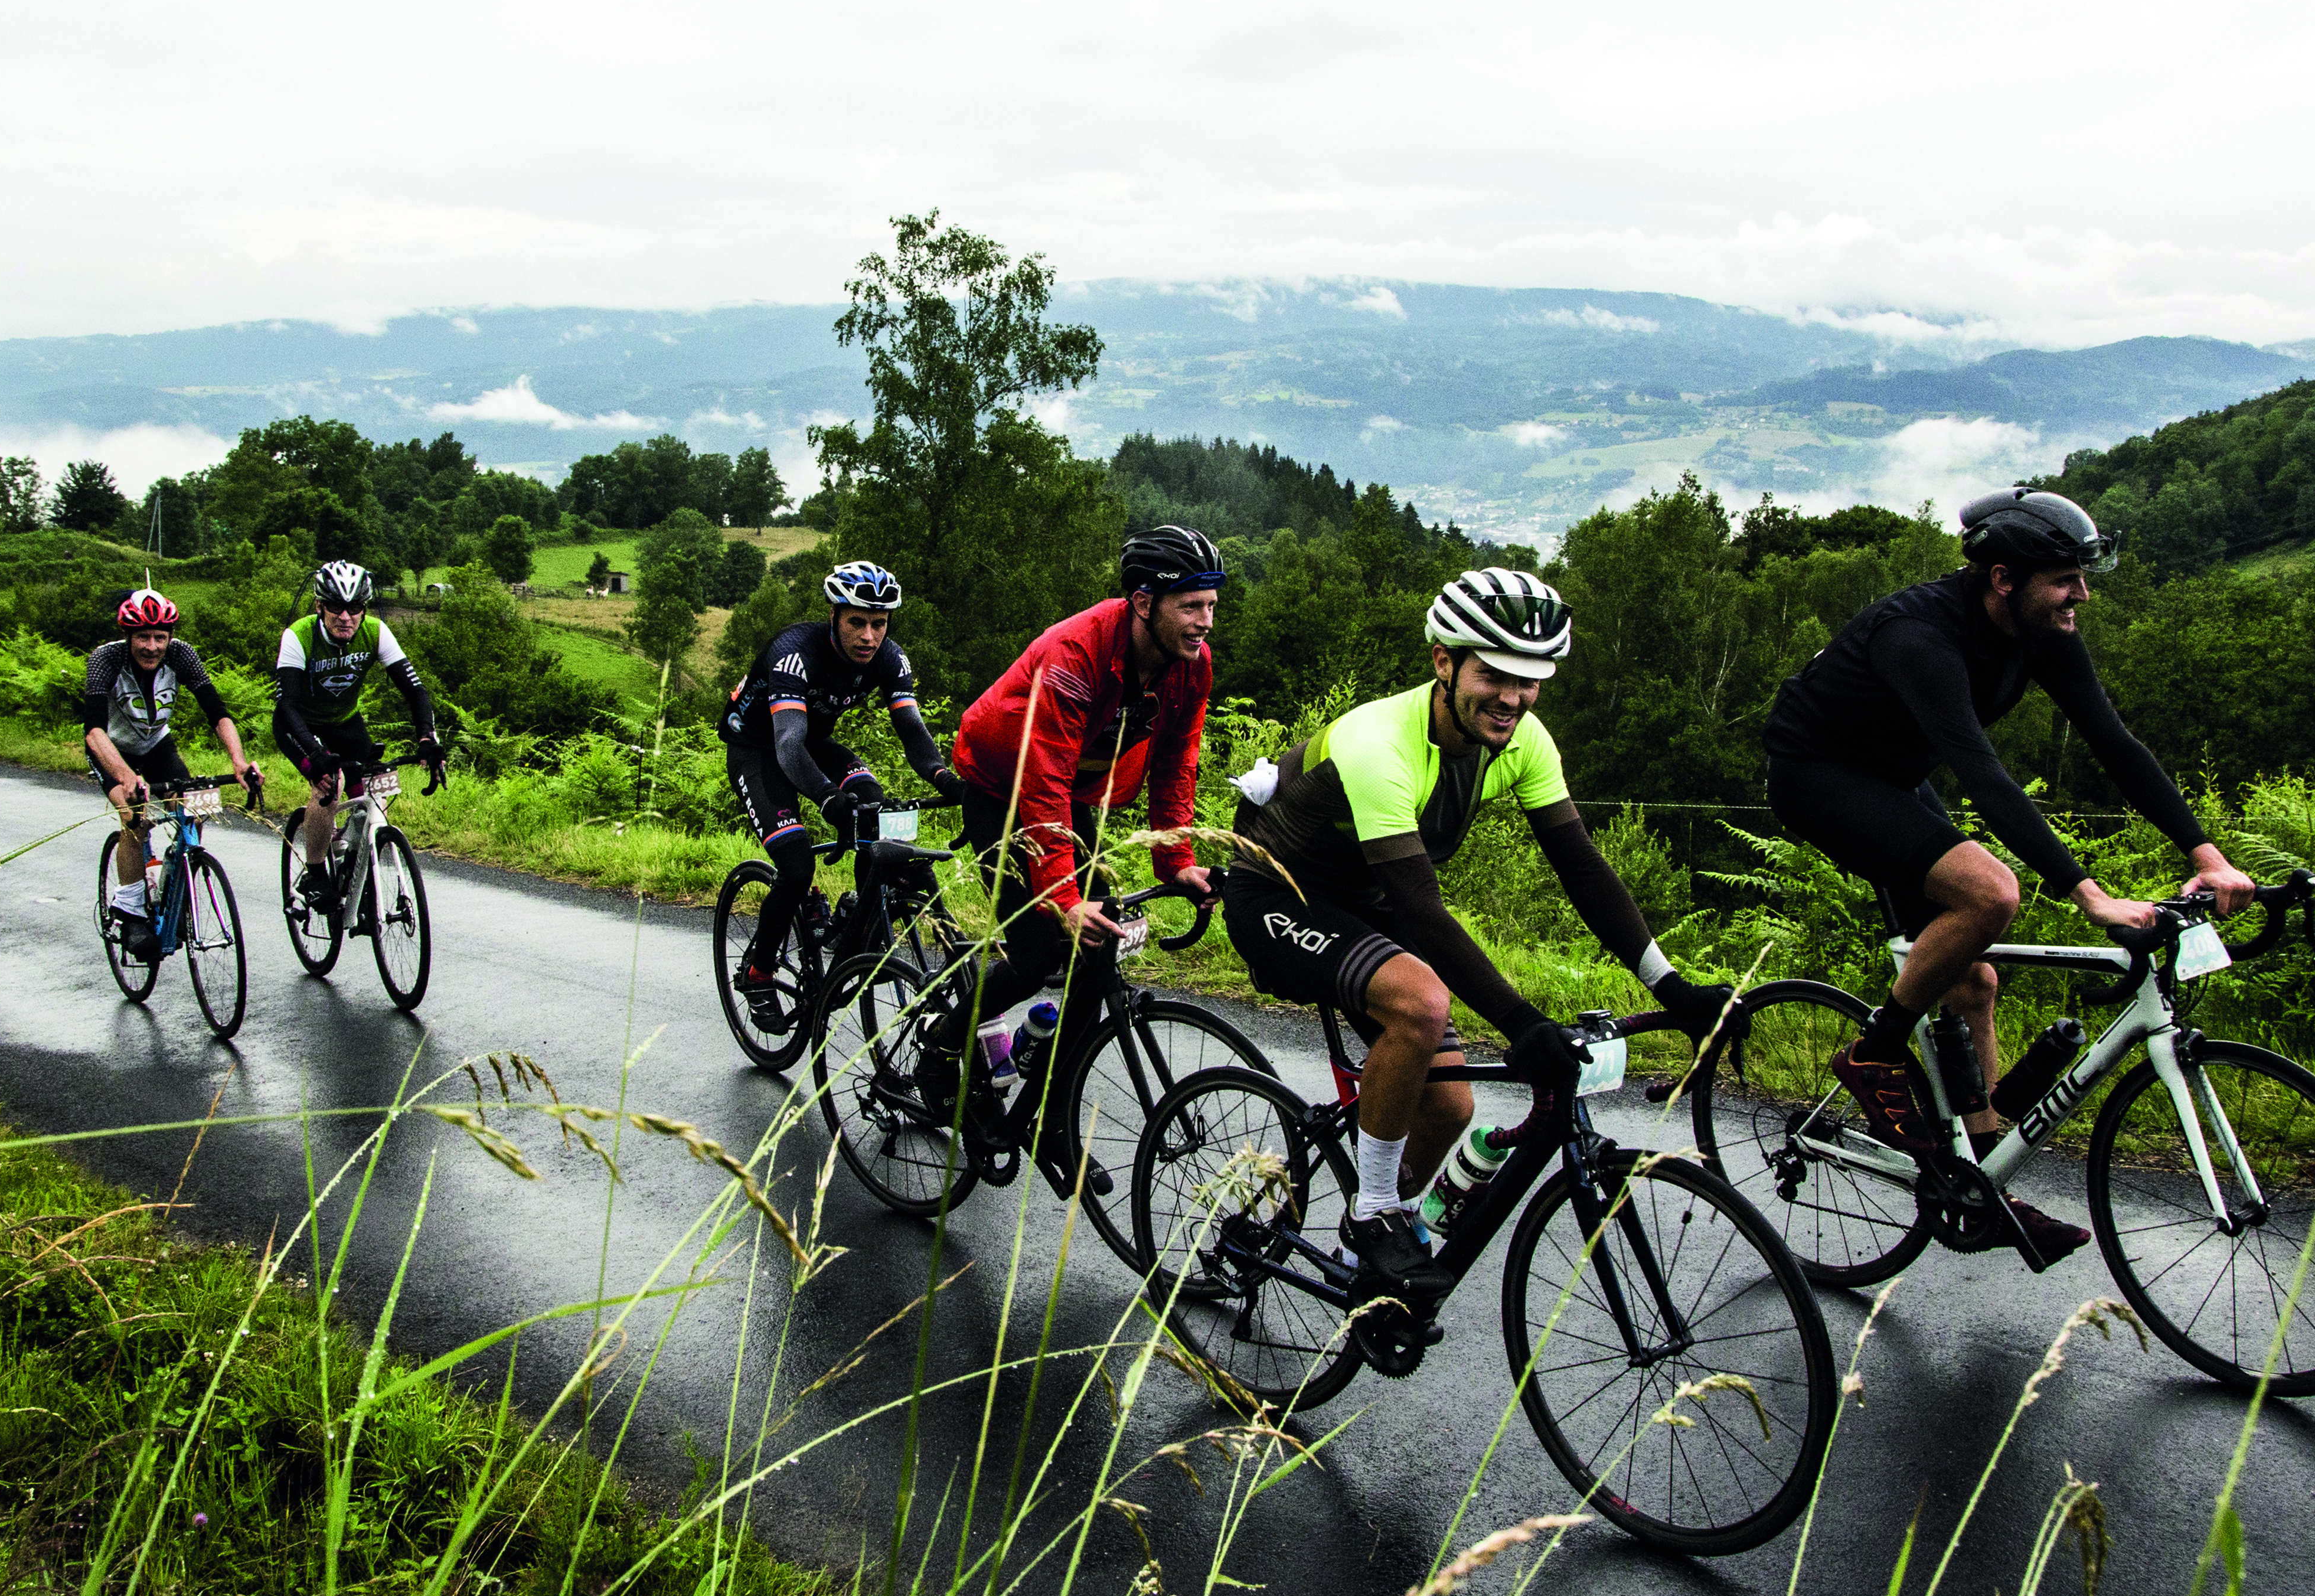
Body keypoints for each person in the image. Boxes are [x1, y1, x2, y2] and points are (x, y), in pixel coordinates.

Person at [1759, 487, 2254, 1262]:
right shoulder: (1919, 637)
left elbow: (2116, 745)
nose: (2082, 595)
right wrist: (2090, 895)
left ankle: (1983, 1179)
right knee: (1991, 892)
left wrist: (2206, 853)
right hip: (1819, 776)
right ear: (2002, 579)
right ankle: (1874, 1053)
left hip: (1891, 779)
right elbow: (1985, 779)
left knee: (1975, 984)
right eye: (2065, 579)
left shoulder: (2045, 631)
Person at [1228, 567, 1733, 1304]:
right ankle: (1372, 1210)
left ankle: (1367, 1228)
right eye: (1493, 674)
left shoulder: (1523, 740)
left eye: (1532, 681)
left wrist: (1670, 982)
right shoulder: (1378, 741)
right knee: (1422, 1004)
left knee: (1452, 1108)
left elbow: (1581, 866)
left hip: (1366, 902)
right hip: (1278, 896)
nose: (1513, 698)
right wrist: (1523, 1024)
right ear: (1445, 661)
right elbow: (1423, 912)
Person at [946, 525, 1225, 1194]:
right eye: (1191, 606)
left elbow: (1176, 758)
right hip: (1001, 785)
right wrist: (1063, 900)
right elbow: (1040, 781)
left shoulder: (1193, 662)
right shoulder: (1076, 653)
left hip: (1067, 793)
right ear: (1143, 601)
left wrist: (1175, 858)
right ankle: (941, 1046)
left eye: (1212, 605)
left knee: (1096, 953)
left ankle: (1048, 1122)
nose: (1205, 622)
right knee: (1046, 949)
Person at [715, 560, 965, 1033]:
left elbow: (911, 728)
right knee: (795, 865)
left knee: (875, 808)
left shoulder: (891, 658)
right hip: (758, 748)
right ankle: (758, 971)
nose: (869, 635)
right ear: (834, 615)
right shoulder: (794, 652)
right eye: (857, 621)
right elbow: (787, 744)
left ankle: (855, 922)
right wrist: (829, 799)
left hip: (812, 742)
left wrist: (945, 779)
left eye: (879, 623)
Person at [81, 589, 263, 939]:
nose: (152, 646)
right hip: (112, 750)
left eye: (160, 637)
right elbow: (93, 732)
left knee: (192, 812)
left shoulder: (182, 655)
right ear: (128, 636)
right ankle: (131, 908)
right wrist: (126, 776)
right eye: (143, 637)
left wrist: (239, 763)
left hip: (157, 745)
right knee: (134, 816)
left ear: (171, 637)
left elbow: (217, 712)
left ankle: (175, 887)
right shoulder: (105, 659)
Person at [272, 560, 445, 913]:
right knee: (328, 787)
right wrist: (315, 755)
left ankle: (357, 868)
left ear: (364, 608)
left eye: (355, 608)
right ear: (320, 606)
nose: (346, 617)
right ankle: (317, 873)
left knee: (373, 790)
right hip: (298, 726)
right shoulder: (299, 636)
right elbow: (287, 706)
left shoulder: (377, 632)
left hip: (346, 723)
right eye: (335, 606)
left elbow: (415, 691)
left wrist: (427, 737)